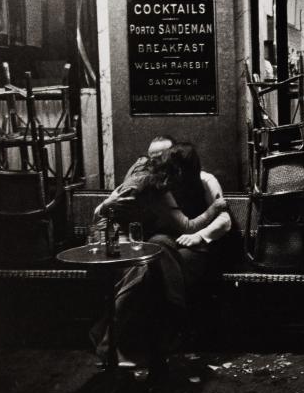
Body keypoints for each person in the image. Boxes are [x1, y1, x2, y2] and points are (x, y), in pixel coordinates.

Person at [92, 142, 231, 379]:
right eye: (154, 158)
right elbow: (101, 212)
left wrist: (198, 236)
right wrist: (107, 205)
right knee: (151, 265)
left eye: (162, 159)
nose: (157, 163)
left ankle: (112, 338)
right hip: (160, 245)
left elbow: (225, 218)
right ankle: (153, 344)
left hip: (193, 245)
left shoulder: (204, 180)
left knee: (153, 264)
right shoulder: (153, 182)